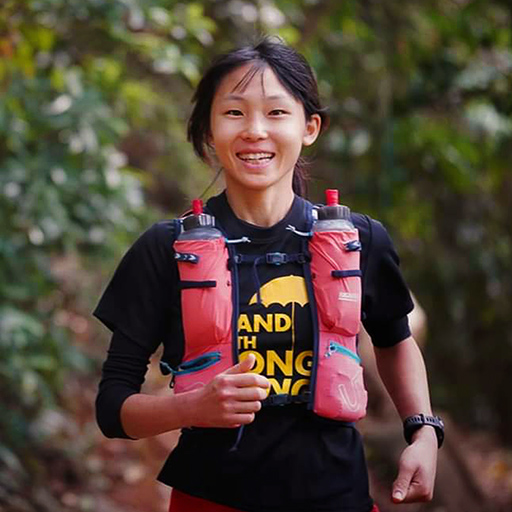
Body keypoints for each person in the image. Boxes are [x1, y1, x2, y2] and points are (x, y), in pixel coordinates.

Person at [94, 37, 441, 512]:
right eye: (234, 113)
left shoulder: (360, 239)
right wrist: (191, 408)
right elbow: (112, 408)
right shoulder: (165, 249)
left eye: (276, 113)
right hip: (209, 500)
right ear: (208, 130)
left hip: (337, 496)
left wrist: (422, 430)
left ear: (310, 127)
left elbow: (395, 339)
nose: (255, 130)